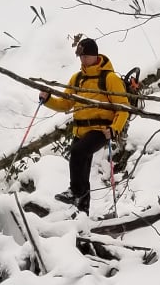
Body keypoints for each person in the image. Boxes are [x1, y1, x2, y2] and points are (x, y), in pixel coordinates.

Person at [40, 37, 131, 216]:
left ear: (94, 55)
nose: (82, 60)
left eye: (85, 56)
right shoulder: (77, 78)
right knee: (82, 169)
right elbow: (66, 104)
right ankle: (83, 214)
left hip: (101, 130)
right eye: (80, 57)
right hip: (80, 130)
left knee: (78, 152)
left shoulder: (110, 78)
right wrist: (48, 100)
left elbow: (123, 107)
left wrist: (114, 129)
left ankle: (75, 192)